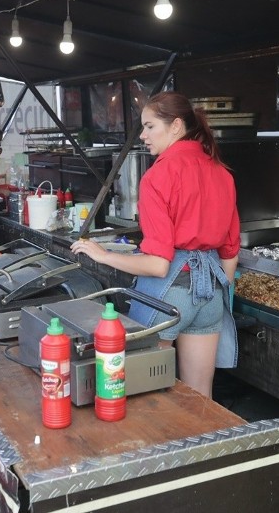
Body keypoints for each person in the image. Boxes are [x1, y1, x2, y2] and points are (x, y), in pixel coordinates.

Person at [70, 92, 240, 399]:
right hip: (211, 292)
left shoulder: (158, 176)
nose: (144, 136)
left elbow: (158, 263)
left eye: (149, 127)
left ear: (175, 126)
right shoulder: (222, 173)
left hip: (169, 293)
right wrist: (213, 286)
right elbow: (230, 250)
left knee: (146, 392)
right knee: (200, 395)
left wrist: (103, 254)